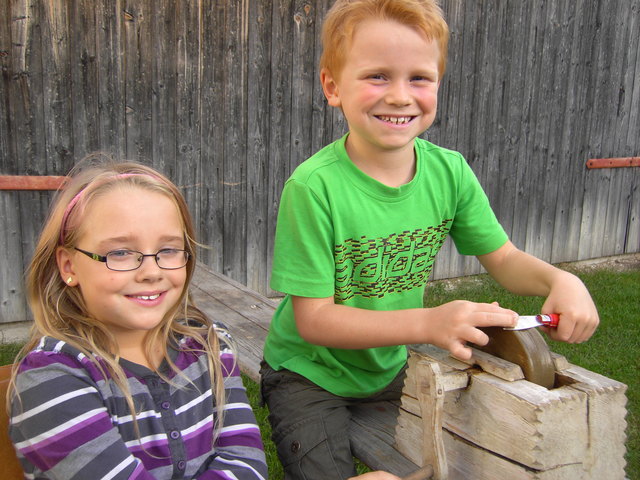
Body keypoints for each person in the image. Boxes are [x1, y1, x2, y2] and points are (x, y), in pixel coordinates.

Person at [260, 0, 599, 479]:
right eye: (377, 76)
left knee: (468, 456)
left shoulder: (449, 172)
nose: (400, 96)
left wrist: (558, 279)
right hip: (309, 373)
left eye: (418, 78)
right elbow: (314, 320)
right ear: (333, 87)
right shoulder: (314, 188)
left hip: (390, 367)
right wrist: (429, 323)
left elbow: (502, 258)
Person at [8, 159, 268, 479]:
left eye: (169, 249)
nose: (151, 272)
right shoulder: (53, 377)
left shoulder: (209, 343)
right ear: (69, 267)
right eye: (120, 253)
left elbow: (245, 460)